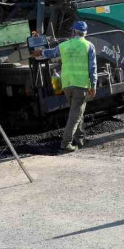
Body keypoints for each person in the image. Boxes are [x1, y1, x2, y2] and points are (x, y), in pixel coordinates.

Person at [33, 21, 96, 152]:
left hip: (67, 85)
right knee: (76, 114)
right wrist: (94, 85)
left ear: (73, 32)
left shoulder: (64, 45)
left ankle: (80, 139)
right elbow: (92, 68)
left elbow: (51, 53)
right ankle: (66, 143)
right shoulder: (89, 46)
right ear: (85, 33)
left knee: (77, 112)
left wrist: (40, 52)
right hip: (81, 84)